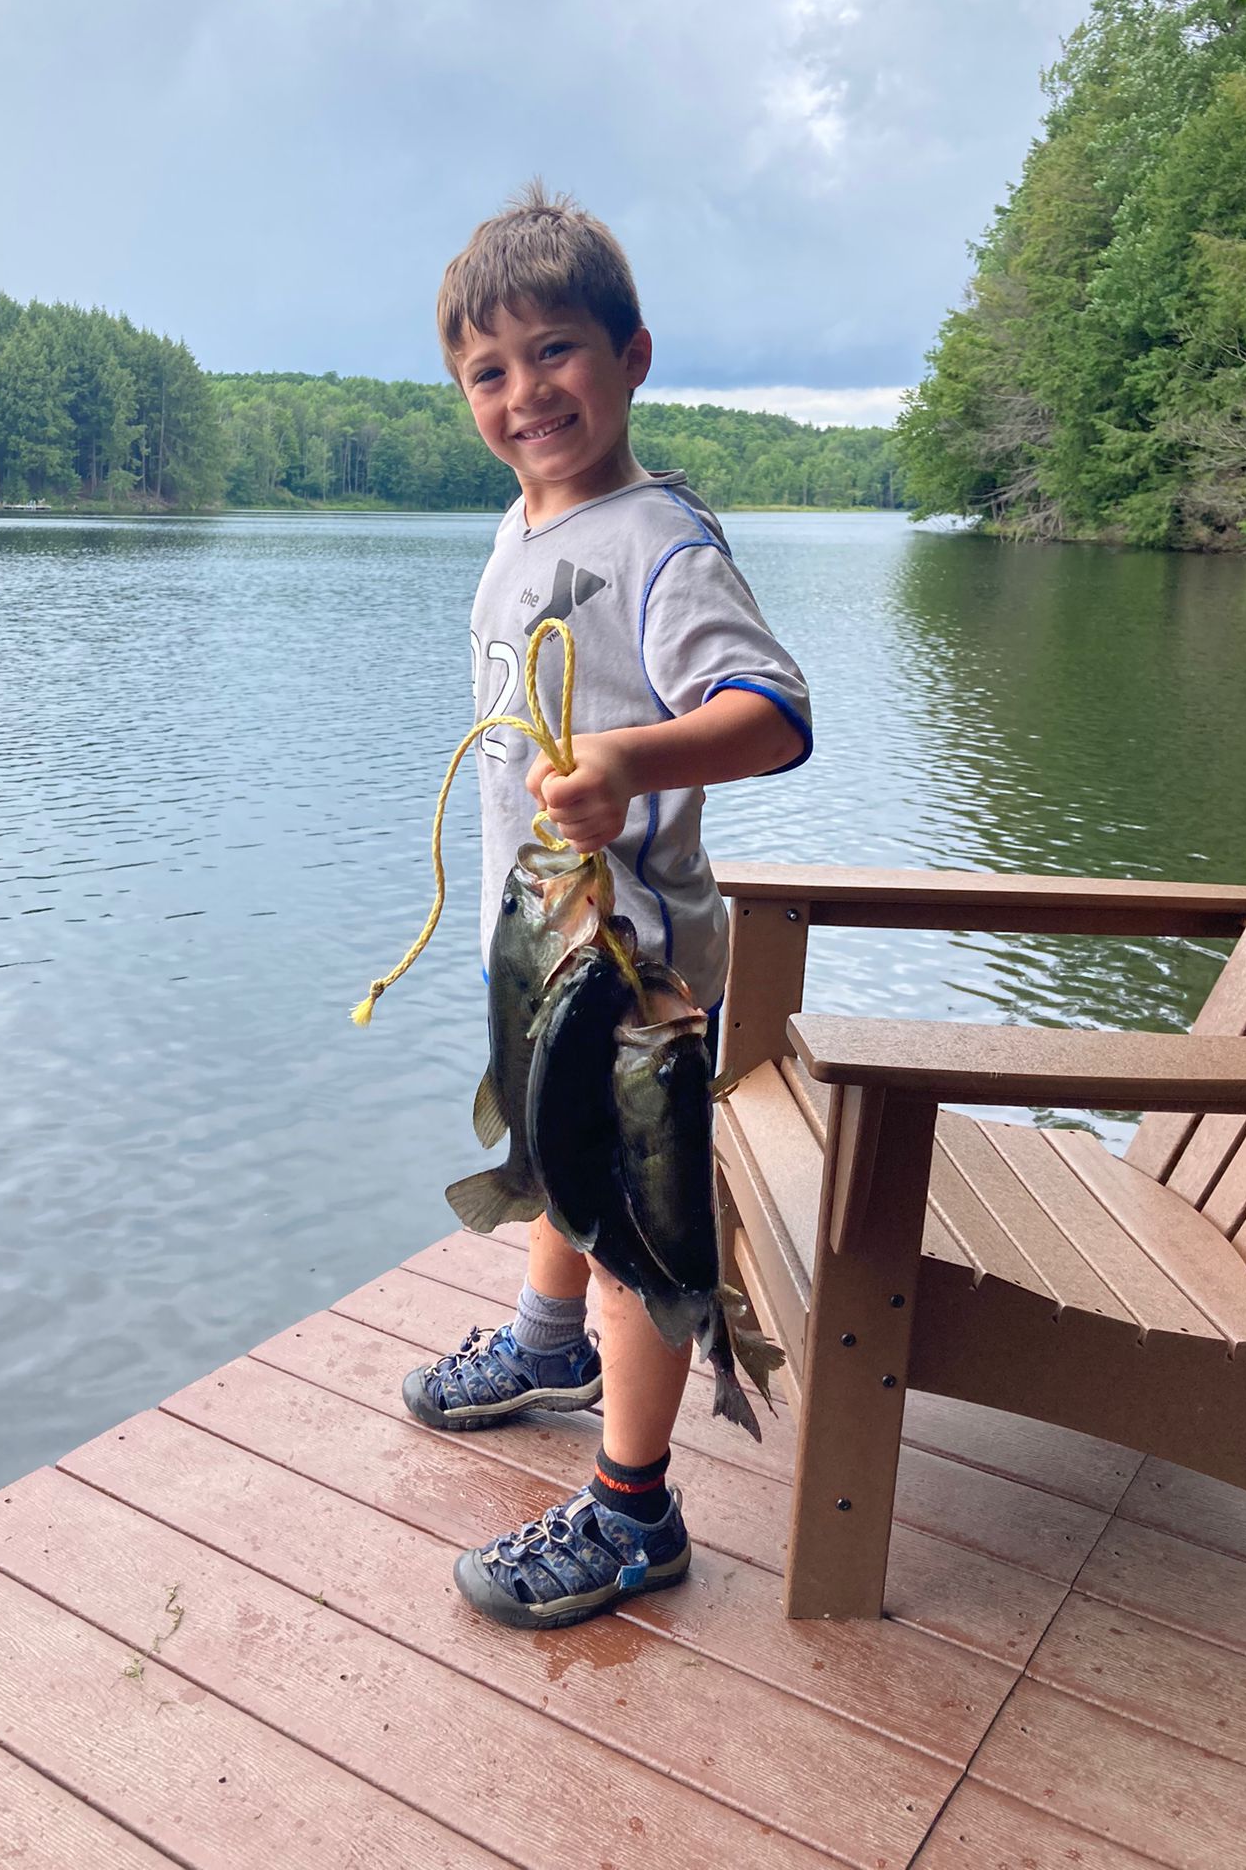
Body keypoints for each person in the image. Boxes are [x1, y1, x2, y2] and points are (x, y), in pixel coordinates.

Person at [401, 180, 812, 1629]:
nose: (527, 393)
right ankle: (546, 1343)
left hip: (641, 966)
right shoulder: (519, 531)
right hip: (546, 936)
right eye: (489, 372)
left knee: (636, 1217)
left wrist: (636, 754)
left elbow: (771, 712)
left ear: (635, 356)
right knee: (548, 1147)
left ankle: (638, 1512)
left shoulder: (662, 542)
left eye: (558, 350)